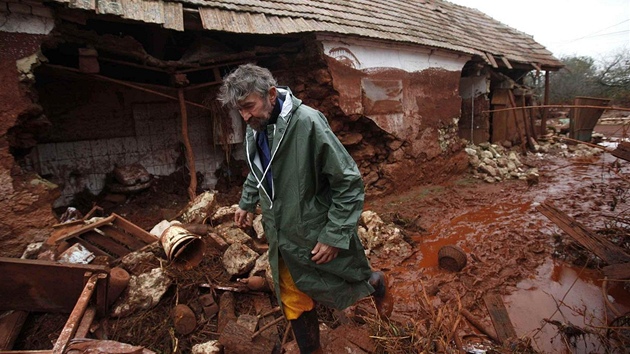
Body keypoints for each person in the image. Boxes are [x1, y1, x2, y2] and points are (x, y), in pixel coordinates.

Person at [217, 63, 393, 353]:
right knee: (293, 299)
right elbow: (258, 168)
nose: (245, 116)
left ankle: (377, 282)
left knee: (341, 281)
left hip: (314, 231)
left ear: (271, 94)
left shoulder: (309, 123)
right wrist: (247, 200)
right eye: (240, 111)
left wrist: (334, 235)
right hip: (280, 233)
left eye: (249, 106)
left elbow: (348, 182)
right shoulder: (256, 126)